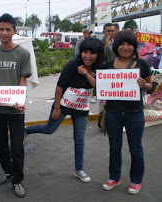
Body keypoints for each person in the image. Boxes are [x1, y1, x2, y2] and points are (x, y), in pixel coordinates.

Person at [25, 37, 104, 182]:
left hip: (81, 108)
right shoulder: (73, 65)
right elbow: (59, 86)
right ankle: (26, 130)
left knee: (80, 139)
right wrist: (56, 108)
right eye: (85, 52)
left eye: (92, 53)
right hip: (63, 104)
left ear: (98, 54)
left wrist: (87, 73)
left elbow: (99, 87)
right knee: (49, 129)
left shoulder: (99, 67)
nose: (88, 56)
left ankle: (79, 170)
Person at [0, 13, 32, 198]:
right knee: (2, 145)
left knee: (17, 146)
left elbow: (22, 81)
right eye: (1, 29)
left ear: (14, 31)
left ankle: (17, 180)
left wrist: (20, 101)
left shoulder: (23, 54)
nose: (4, 32)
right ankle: (8, 171)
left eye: (8, 29)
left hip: (16, 111)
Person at [101, 30, 152, 194]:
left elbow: (151, 86)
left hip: (134, 113)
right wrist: (86, 74)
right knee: (114, 147)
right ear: (116, 46)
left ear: (134, 46)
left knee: (136, 148)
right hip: (113, 114)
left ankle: (136, 180)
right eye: (122, 43)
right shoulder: (108, 66)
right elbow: (100, 85)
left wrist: (144, 85)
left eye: (129, 44)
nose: (125, 47)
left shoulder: (142, 64)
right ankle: (114, 177)